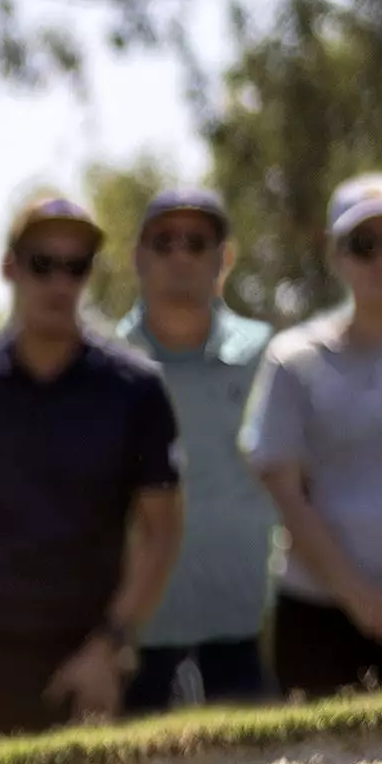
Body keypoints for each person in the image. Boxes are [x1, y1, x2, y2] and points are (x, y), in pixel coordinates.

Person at [0, 195, 186, 736]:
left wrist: (109, 648)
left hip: (86, 663)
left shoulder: (134, 390)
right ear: (10, 268)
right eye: (42, 263)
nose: (59, 282)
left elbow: (162, 532)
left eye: (75, 266)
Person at [245, 174, 382, 696]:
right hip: (320, 618)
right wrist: (357, 597)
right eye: (364, 246)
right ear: (337, 255)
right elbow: (287, 494)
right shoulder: (293, 361)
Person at [111, 188, 280, 711]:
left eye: (197, 242)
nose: (181, 255)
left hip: (251, 634)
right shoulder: (105, 365)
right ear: (139, 257)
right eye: (163, 242)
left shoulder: (270, 357)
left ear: (223, 259)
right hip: (136, 639)